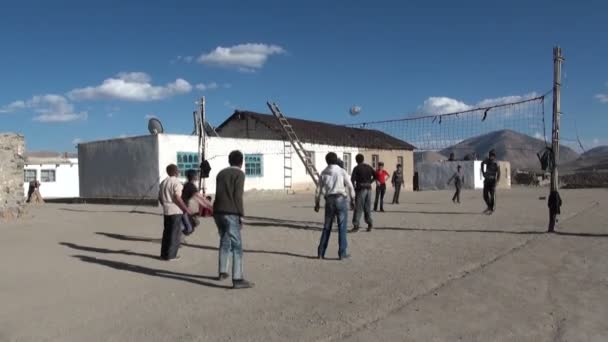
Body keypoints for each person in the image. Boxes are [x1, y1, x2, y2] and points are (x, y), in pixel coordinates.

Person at [213, 150, 253, 289]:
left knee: (224, 240)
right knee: (237, 246)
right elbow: (237, 195)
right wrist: (241, 215)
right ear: (241, 162)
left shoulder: (221, 173)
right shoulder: (239, 174)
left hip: (218, 211)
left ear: (229, 161)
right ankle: (237, 278)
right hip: (231, 211)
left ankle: (222, 271)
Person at [315, 152, 356, 260]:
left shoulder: (323, 172)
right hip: (341, 199)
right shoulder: (342, 171)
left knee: (327, 227)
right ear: (336, 160)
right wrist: (353, 199)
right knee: (342, 227)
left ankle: (321, 252)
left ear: (327, 161)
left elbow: (318, 190)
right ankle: (342, 253)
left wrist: (317, 203)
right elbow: (350, 186)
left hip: (329, 200)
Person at [158, 164, 193, 261]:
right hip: (175, 210)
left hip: (166, 209)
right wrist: (185, 208)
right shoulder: (177, 183)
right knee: (174, 234)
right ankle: (171, 255)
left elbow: (160, 197)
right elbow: (177, 197)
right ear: (175, 171)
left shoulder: (163, 182)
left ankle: (163, 254)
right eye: (178, 170)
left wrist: (165, 204)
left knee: (166, 233)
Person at [181, 169, 213, 236]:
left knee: (194, 223)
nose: (198, 176)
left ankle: (178, 236)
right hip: (181, 209)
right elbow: (200, 198)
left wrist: (208, 206)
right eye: (197, 175)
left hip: (184, 208)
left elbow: (197, 199)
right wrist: (210, 206)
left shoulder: (188, 184)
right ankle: (176, 238)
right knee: (188, 228)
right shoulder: (191, 186)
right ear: (193, 176)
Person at [350, 154, 376, 232]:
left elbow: (352, 180)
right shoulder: (369, 167)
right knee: (367, 207)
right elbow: (375, 176)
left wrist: (354, 188)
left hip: (360, 189)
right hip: (369, 189)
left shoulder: (356, 168)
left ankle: (356, 225)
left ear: (356, 160)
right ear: (363, 159)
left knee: (358, 207)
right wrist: (370, 182)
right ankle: (369, 224)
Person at [481, 150, 501, 214]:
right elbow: (482, 164)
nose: (491, 157)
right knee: (485, 195)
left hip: (493, 181)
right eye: (490, 155)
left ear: (494, 156)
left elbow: (499, 172)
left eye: (492, 155)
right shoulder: (487, 161)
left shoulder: (496, 163)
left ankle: (492, 209)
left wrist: (497, 180)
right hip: (486, 181)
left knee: (492, 196)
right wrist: (483, 172)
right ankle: (489, 206)